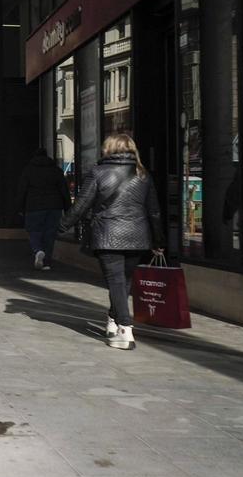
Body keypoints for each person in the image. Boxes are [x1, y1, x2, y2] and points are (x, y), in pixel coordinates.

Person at [60, 133, 164, 350]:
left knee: (117, 282)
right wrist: (158, 239)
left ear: (108, 149)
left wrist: (61, 226)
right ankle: (113, 320)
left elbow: (81, 206)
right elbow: (154, 211)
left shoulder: (98, 173)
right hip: (137, 237)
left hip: (108, 235)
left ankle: (125, 330)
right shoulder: (143, 174)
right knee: (122, 282)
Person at [16, 148, 71, 270]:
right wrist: (68, 208)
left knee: (34, 231)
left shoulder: (28, 170)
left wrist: (20, 207)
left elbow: (22, 190)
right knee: (50, 234)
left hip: (33, 206)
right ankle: (46, 263)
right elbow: (64, 190)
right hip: (54, 207)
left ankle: (38, 250)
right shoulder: (56, 170)